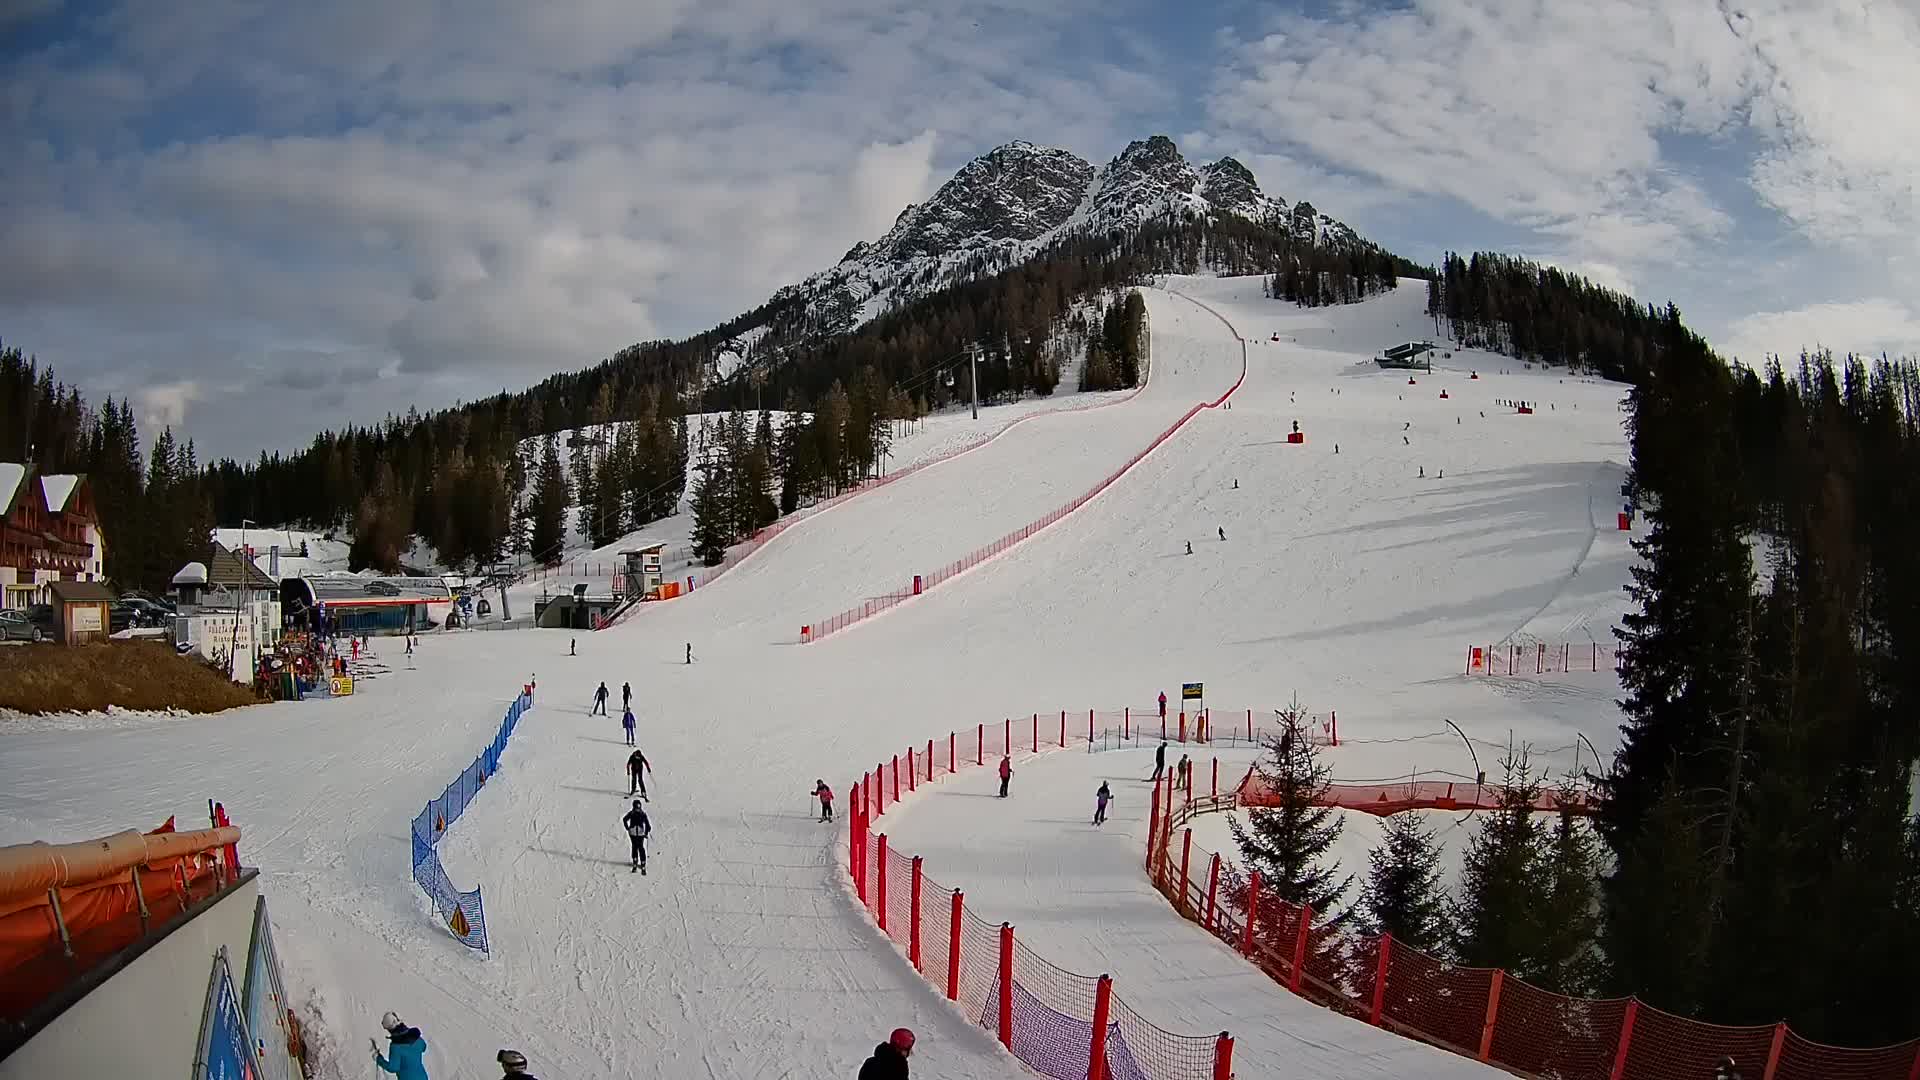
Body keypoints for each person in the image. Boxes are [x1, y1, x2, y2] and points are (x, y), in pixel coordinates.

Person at [372, 1012, 428, 1080]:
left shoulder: (396, 1047)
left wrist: (379, 1059)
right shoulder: (416, 1038)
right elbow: (424, 1047)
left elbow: (393, 1068)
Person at [622, 800, 651, 874]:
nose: (637, 809)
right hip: (634, 833)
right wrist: (628, 828)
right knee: (636, 847)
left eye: (638, 808)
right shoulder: (636, 814)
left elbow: (648, 825)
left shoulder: (640, 814)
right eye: (636, 808)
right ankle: (636, 861)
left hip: (638, 833)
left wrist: (646, 832)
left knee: (639, 847)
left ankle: (642, 862)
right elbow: (624, 819)